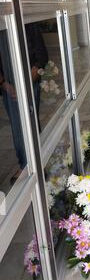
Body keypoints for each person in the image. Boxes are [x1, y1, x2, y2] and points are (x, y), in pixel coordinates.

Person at [0, 22, 48, 184]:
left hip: (30, 80)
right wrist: (6, 85)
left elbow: (41, 55)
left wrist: (25, 85)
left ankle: (37, 163)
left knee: (30, 121)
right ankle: (24, 164)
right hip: (7, 85)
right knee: (17, 124)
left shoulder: (27, 21)